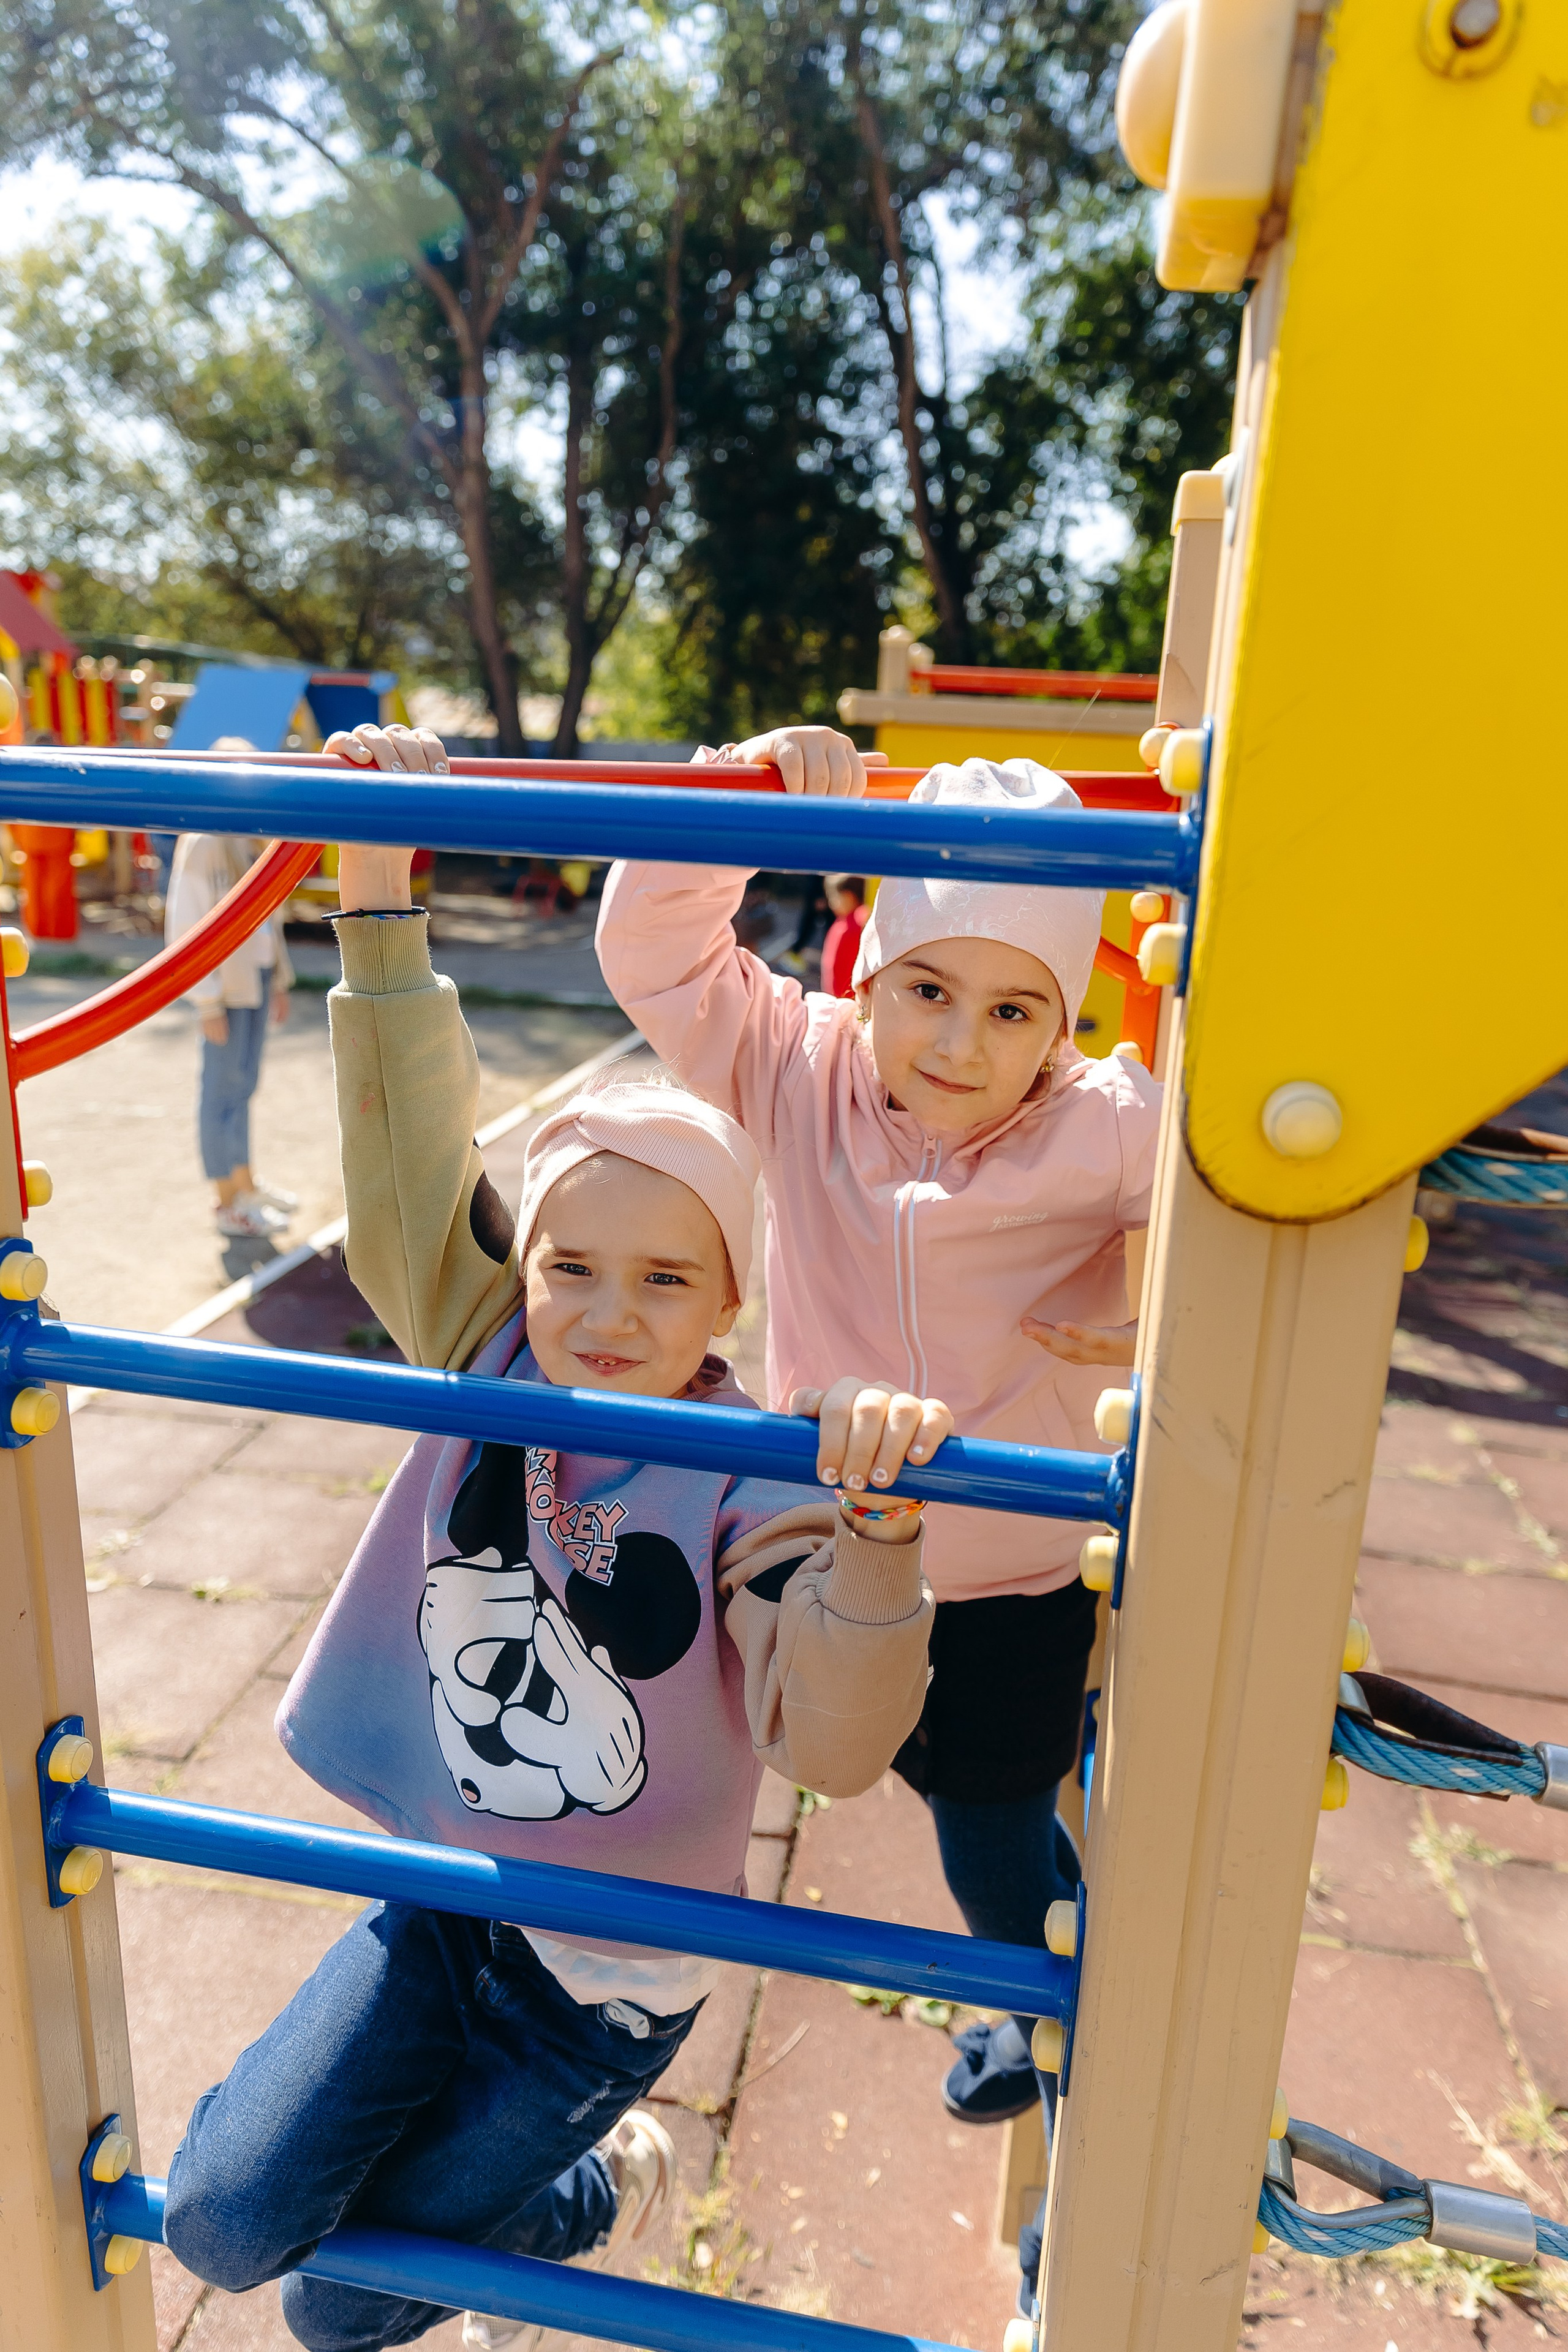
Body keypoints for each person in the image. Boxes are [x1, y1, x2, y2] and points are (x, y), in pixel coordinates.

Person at [161, 722, 951, 2352]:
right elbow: (404, 1166)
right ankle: (462, 2164)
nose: (602, 1316)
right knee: (219, 2222)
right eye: (570, 1266)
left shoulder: (751, 1475)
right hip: (450, 1898)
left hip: (600, 1986)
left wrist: (877, 1543)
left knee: (334, 2309)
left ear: (734, 1303)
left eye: (665, 1282)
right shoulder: (489, 1348)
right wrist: (376, 880)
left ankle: (606, 2178)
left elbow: (841, 1748)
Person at [594, 727, 1161, 2306]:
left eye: (1011, 1009)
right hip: (824, 1558)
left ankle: (1060, 2063)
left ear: (1063, 1017)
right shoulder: (795, 1069)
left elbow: (1209, 1202)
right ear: (867, 968)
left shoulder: (1097, 1122)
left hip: (1008, 1571)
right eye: (926, 988)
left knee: (990, 1838)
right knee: (807, 1760)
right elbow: (646, 944)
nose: (962, 1042)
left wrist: (1142, 1308)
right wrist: (739, 795)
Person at [165, 750, 296, 1241]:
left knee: (243, 1085)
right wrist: (206, 1000)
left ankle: (244, 1181)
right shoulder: (204, 843)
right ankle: (226, 1199)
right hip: (226, 984)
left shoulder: (251, 837)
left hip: (255, 978)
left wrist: (279, 977)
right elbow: (186, 922)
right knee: (221, 1089)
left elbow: (268, 917)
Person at [820, 873, 869, 999]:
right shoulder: (848, 921)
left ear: (849, 897)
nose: (831, 903)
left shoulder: (851, 927)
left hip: (843, 996)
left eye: (834, 898)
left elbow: (843, 968)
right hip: (844, 995)